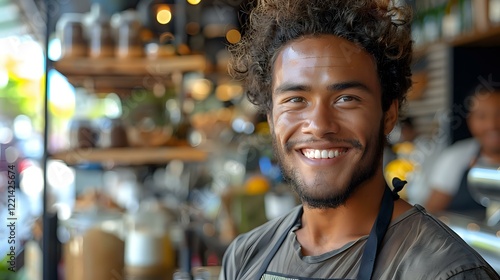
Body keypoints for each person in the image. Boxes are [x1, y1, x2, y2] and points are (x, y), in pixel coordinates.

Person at [219, 0, 500, 279]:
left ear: (389, 113)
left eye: (346, 99)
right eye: (296, 100)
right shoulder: (245, 255)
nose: (318, 126)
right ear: (270, 118)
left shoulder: (442, 272)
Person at [424, 85, 500, 221]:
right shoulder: (456, 157)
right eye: (482, 116)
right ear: (470, 120)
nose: (492, 125)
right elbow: (430, 214)